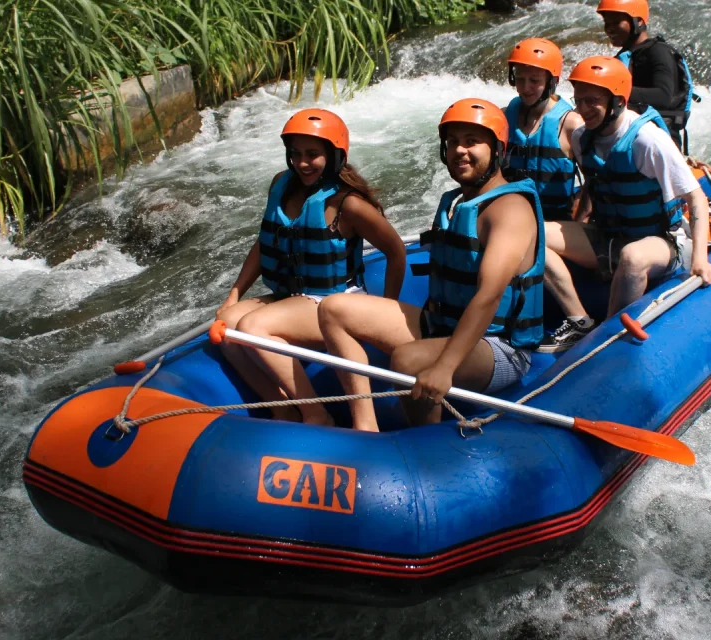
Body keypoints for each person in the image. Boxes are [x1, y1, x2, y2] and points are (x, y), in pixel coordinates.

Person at [318, 99, 544, 432]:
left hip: (500, 346)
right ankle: (366, 426)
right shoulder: (457, 201)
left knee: (407, 360)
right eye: (452, 143)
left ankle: (428, 445)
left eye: (471, 141)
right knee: (334, 309)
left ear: (497, 149)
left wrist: (445, 367)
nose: (459, 151)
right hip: (442, 323)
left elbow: (489, 295)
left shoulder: (510, 209)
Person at [215, 108, 406, 425]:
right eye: (296, 154)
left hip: (334, 302)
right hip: (293, 296)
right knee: (228, 325)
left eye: (313, 154)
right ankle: (281, 406)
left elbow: (396, 251)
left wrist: (386, 308)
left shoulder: (348, 204)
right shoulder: (281, 184)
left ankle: (316, 412)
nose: (302, 163)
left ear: (334, 155)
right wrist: (234, 294)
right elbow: (266, 242)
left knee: (252, 327)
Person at [540, 56, 711, 352]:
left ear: (618, 101)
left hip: (662, 241)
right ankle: (580, 321)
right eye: (578, 100)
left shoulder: (647, 141)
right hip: (609, 237)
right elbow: (595, 187)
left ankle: (604, 342)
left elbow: (695, 197)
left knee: (633, 258)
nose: (582, 109)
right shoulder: (583, 138)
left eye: (592, 101)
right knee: (531, 233)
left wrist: (700, 259)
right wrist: (580, 221)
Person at [500, 38, 585, 222]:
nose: (525, 87)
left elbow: (593, 185)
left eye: (534, 80)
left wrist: (579, 222)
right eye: (520, 79)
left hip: (556, 221)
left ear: (552, 82)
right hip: (509, 218)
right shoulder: (504, 117)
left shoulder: (571, 125)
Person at [596, 0, 697, 153]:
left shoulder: (658, 52)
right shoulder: (624, 57)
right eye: (607, 23)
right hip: (629, 136)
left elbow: (664, 97)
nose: (609, 29)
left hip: (661, 140)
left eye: (616, 22)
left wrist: (612, 92)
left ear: (639, 22)